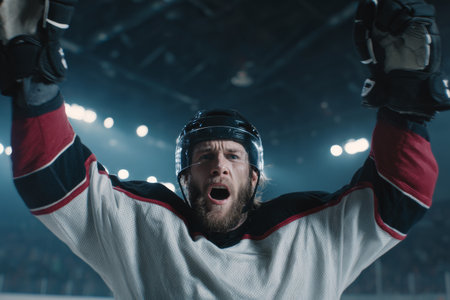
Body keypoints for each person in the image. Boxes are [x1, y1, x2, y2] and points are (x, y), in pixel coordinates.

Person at [1, 0, 449, 298]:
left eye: (234, 156)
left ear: (253, 178)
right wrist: (36, 85)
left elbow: (399, 192)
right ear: (184, 178)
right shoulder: (142, 226)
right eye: (204, 157)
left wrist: (404, 108)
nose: (219, 165)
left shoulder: (314, 235)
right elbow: (51, 178)